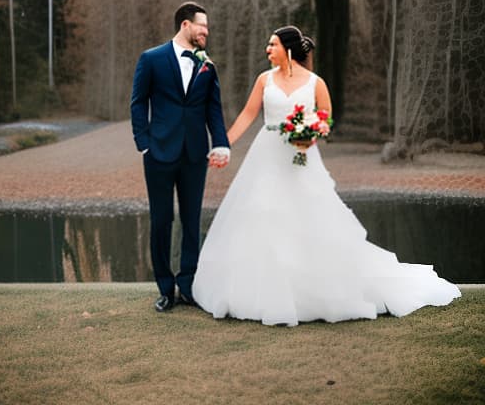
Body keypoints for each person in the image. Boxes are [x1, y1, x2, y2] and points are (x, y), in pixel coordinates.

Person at [192, 25, 461, 326]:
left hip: (302, 160)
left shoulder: (315, 83)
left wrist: (310, 136)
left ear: (289, 49)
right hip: (265, 157)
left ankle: (315, 290)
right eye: (268, 45)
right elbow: (247, 115)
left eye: (273, 45)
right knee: (260, 214)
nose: (267, 49)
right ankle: (259, 292)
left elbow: (325, 118)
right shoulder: (263, 80)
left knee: (310, 216)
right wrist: (223, 145)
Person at [131, 2, 230, 312]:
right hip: (158, 153)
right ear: (186, 25)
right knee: (161, 221)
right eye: (203, 26)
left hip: (194, 154)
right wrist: (143, 143)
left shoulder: (207, 65)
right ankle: (165, 287)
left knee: (191, 221)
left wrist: (221, 143)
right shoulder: (151, 59)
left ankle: (188, 285)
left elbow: (214, 108)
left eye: (208, 28)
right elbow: (138, 102)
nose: (206, 32)